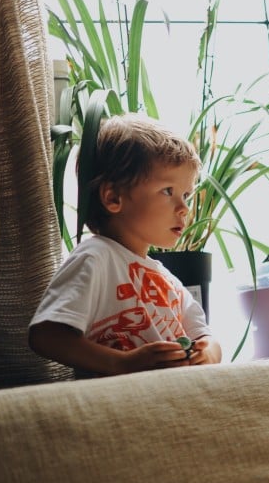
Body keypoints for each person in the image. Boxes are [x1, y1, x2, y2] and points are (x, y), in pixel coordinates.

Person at [30, 113, 222, 376]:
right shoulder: (95, 257)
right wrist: (122, 362)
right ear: (113, 197)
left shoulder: (167, 280)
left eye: (186, 194)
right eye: (168, 191)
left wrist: (207, 352)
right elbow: (45, 334)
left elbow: (206, 338)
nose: (184, 208)